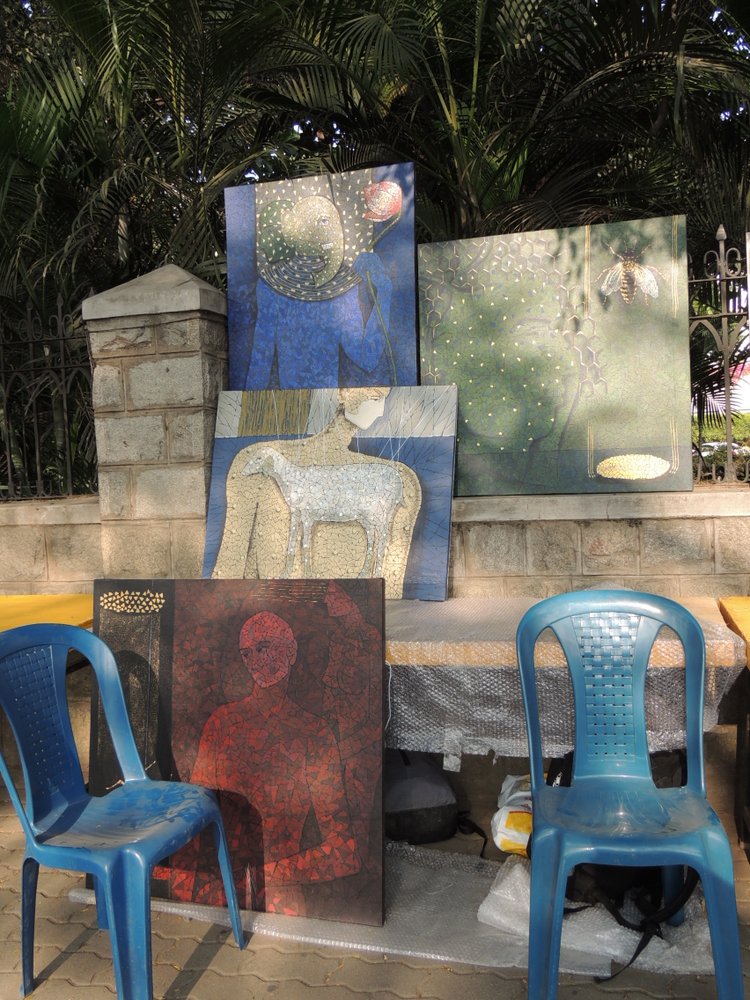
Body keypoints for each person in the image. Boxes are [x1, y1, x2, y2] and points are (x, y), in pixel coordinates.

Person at [170, 611, 360, 915]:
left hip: (281, 897)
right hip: (219, 889)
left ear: (291, 651)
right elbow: (193, 817)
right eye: (247, 653)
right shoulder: (222, 723)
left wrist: (267, 874)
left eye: (263, 647)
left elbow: (344, 851)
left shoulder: (315, 733)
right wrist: (183, 887)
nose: (255, 661)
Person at [211, 387, 422, 597]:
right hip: (276, 603)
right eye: (374, 398)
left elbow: (390, 586)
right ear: (344, 393)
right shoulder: (259, 457)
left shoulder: (391, 476)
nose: (381, 411)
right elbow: (231, 563)